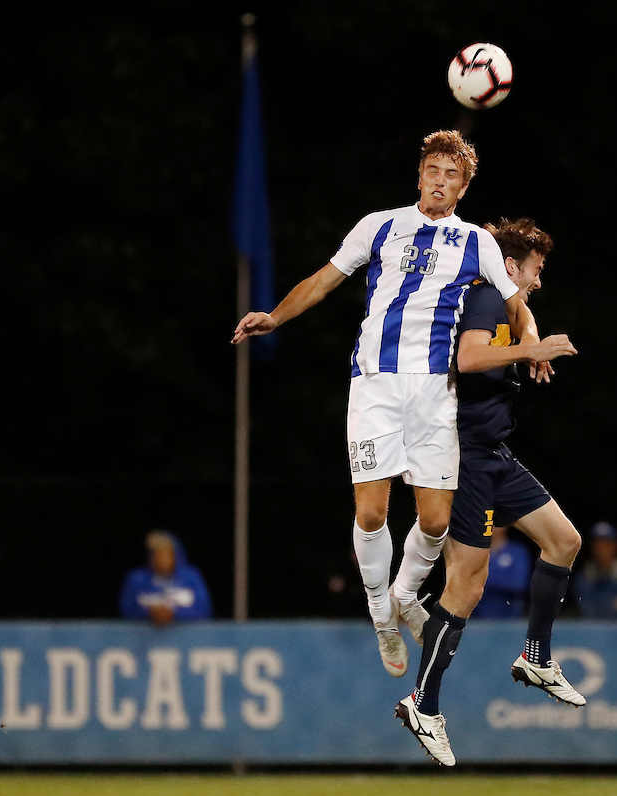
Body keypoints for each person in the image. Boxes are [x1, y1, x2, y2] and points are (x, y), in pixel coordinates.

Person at [232, 131, 544, 677]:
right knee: (372, 510)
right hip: (376, 384)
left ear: (464, 186)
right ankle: (382, 617)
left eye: (452, 174)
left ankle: (404, 595)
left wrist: (533, 348)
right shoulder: (380, 226)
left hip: (435, 392)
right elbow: (324, 280)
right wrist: (275, 316)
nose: (439, 181)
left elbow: (517, 304)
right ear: (419, 175)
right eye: (432, 170)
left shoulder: (477, 243)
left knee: (436, 520)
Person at [390, 218, 582, 766]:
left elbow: (521, 314)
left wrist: (530, 340)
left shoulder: (504, 300)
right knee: (467, 588)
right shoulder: (481, 299)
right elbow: (469, 358)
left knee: (563, 542)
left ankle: (537, 656)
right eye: (535, 271)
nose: (538, 281)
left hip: (495, 453)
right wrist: (532, 348)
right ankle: (423, 704)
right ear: (511, 266)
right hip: (465, 457)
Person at [119, 530, 212, 623]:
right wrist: (149, 613)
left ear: (175, 556)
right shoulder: (137, 579)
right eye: (156, 553)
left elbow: (204, 610)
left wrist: (174, 613)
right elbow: (125, 609)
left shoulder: (191, 577)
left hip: (188, 636)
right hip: (145, 636)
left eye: (165, 554)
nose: (161, 559)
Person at [572, 521, 617, 619]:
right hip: (591, 633)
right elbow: (585, 614)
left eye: (606, 543)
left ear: (615, 546)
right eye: (598, 544)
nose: (602, 549)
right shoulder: (583, 579)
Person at [476, 525, 532, 619]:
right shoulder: (475, 552)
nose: (492, 527)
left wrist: (484, 580)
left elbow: (519, 583)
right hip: (476, 618)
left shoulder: (517, 551)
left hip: (508, 617)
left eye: (495, 524)